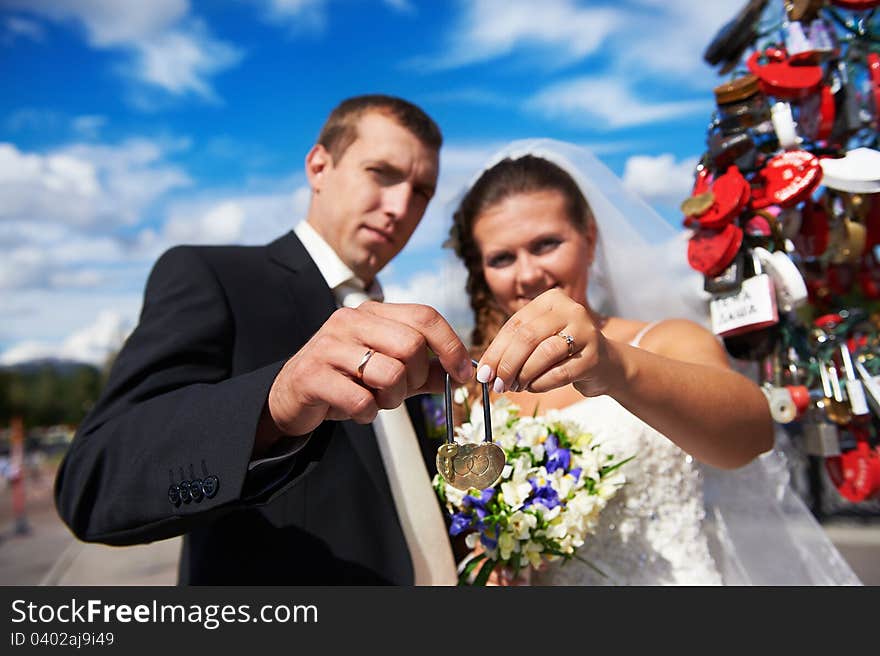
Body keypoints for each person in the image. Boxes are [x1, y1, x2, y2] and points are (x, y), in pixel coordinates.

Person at [54, 94, 474, 585]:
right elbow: (93, 480)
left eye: (422, 190)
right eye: (382, 173)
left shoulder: (408, 329)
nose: (401, 207)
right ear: (319, 166)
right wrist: (273, 403)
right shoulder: (214, 277)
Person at [447, 139, 862, 585]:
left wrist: (615, 367)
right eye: (502, 258)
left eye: (547, 244)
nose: (527, 274)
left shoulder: (663, 340)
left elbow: (751, 434)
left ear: (589, 239)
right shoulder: (476, 385)